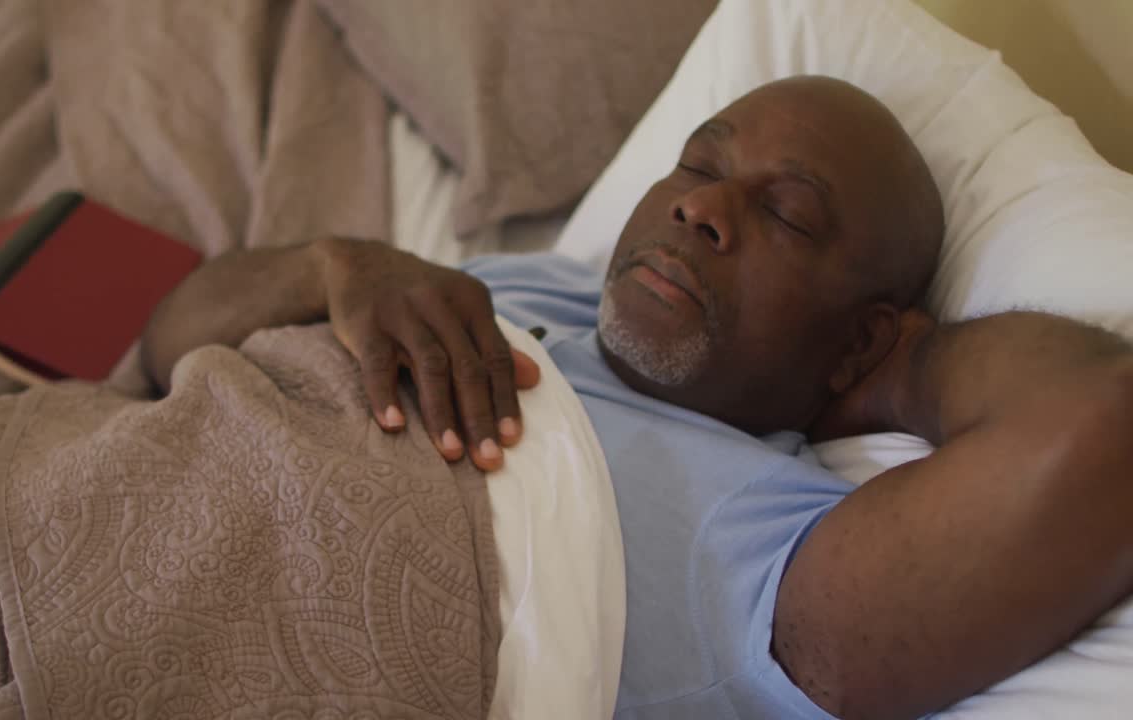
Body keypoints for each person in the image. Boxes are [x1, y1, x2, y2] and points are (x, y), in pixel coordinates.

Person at [142, 76, 1133, 720]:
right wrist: (333, 266)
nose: (698, 206)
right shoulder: (514, 291)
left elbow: (1104, 426)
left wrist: (900, 369)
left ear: (860, 338)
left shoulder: (756, 548)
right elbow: (167, 339)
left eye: (784, 213)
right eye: (699, 166)